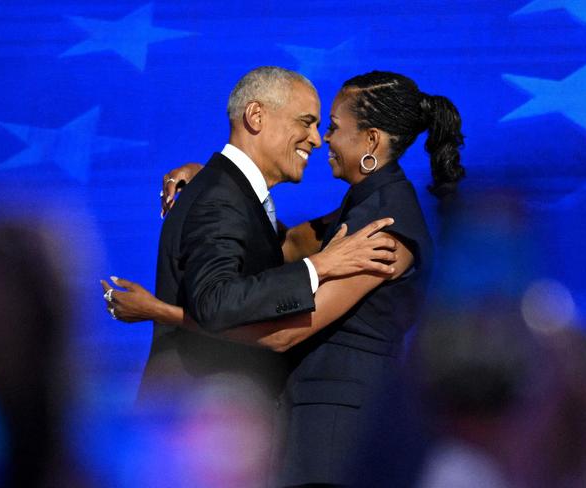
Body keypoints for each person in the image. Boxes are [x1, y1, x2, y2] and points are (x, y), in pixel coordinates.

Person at [106, 70, 465, 486]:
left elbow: (283, 335)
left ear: (371, 142)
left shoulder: (382, 227)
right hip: (310, 424)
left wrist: (165, 311)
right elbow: (287, 241)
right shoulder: (364, 206)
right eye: (313, 125)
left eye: (331, 127)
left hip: (336, 433)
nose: (321, 139)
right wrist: (219, 177)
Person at [102, 66, 398, 408]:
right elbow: (215, 302)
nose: (317, 139)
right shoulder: (220, 196)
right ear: (256, 116)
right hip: (200, 426)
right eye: (306, 122)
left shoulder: (230, 193)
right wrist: (319, 267)